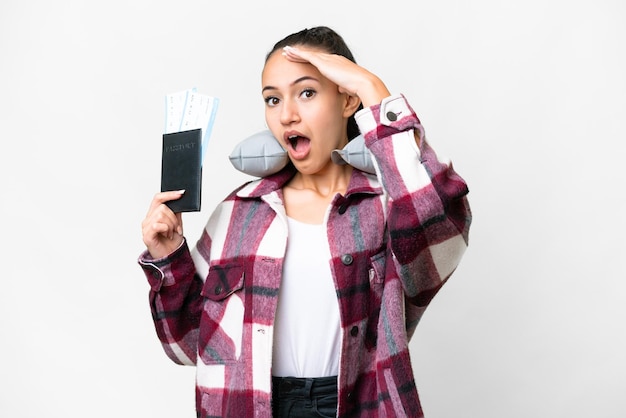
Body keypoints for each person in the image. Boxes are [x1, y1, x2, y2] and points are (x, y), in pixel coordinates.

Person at [138, 26, 471, 418]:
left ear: (347, 100)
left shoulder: (387, 207)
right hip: (254, 407)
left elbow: (441, 233)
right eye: (273, 99)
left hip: (357, 404)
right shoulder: (238, 213)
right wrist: (168, 259)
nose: (287, 114)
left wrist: (374, 91)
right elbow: (189, 344)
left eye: (307, 92)